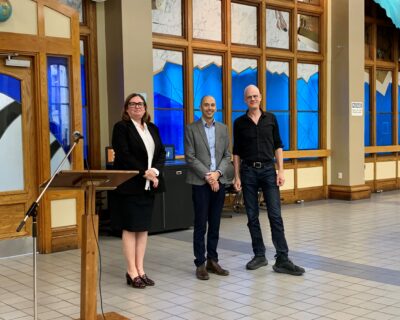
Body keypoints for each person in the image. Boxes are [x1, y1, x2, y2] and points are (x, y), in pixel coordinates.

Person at [233, 85, 305, 276]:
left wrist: (281, 170)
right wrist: (237, 175)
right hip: (248, 171)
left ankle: (282, 258)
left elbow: (278, 146)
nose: (253, 99)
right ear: (245, 100)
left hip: (267, 170)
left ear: (261, 97)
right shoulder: (239, 123)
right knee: (252, 216)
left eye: (255, 96)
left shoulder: (271, 119)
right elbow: (237, 152)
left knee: (275, 215)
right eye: (249, 97)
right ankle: (259, 255)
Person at [112, 93, 166, 288]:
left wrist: (155, 171)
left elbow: (161, 152)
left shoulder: (152, 128)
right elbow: (124, 155)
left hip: (149, 185)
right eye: (132, 104)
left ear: (145, 108)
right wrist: (145, 172)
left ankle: (141, 269)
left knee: (143, 228)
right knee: (130, 227)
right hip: (130, 184)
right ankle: (131, 271)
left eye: (140, 104)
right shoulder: (121, 128)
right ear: (126, 108)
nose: (137, 107)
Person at [185, 95, 233, 280]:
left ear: (216, 107)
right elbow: (190, 157)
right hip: (200, 182)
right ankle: (200, 263)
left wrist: (217, 174)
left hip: (219, 181)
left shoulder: (223, 128)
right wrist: (208, 176)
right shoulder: (191, 128)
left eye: (213, 105)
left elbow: (227, 155)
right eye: (206, 104)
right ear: (200, 107)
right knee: (200, 223)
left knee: (215, 223)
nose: (210, 108)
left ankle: (213, 260)